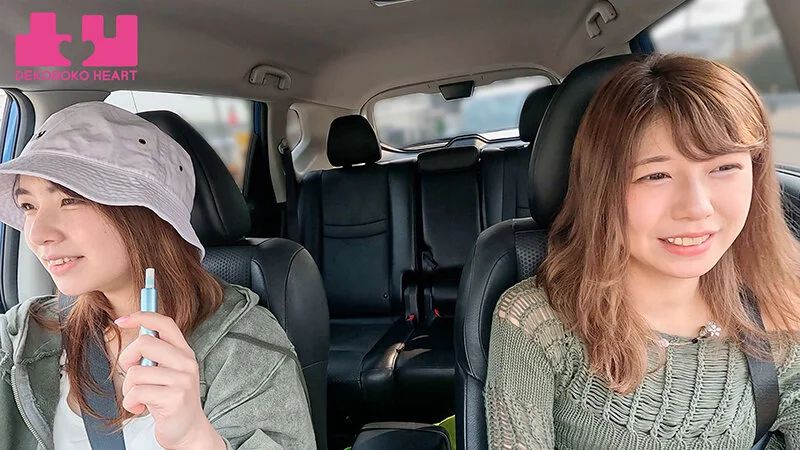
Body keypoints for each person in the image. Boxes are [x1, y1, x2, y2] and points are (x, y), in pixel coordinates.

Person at [485, 54, 800, 449]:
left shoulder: (783, 305)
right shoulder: (539, 324)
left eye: (723, 168)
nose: (697, 208)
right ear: (603, 188)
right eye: (656, 175)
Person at [0, 102, 316, 449]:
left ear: (146, 213)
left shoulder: (243, 347)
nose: (37, 234)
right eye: (28, 206)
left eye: (70, 200)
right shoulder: (24, 334)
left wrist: (196, 440)